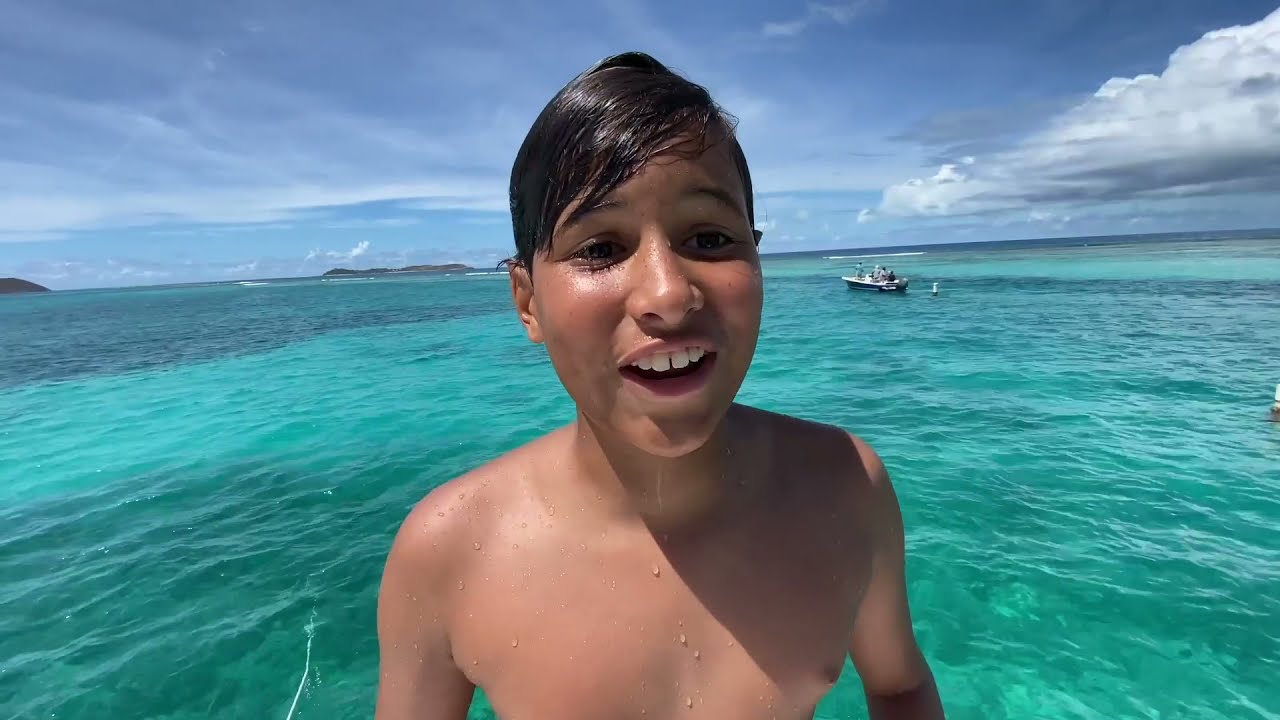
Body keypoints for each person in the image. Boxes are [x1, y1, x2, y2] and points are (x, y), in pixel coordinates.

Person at [375, 51, 945, 720]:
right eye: (600, 249)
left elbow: (900, 688)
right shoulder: (447, 552)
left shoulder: (845, 487)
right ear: (527, 302)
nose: (669, 296)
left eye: (708, 238)